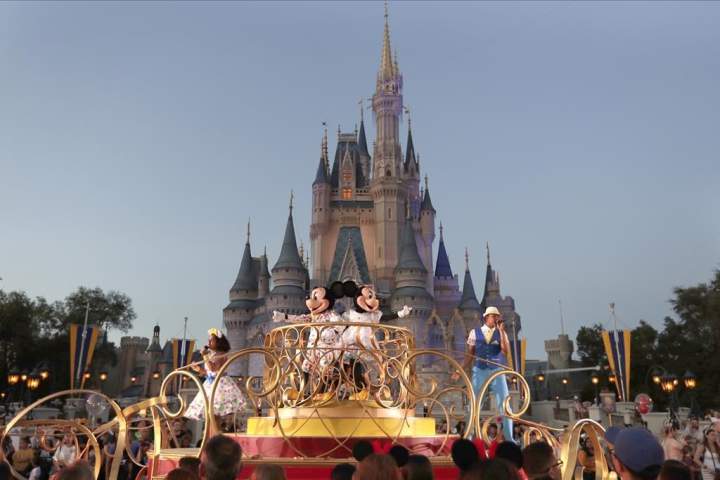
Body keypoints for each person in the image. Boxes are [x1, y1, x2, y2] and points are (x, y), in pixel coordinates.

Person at [452, 306, 513, 442]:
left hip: (497, 371)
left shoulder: (501, 333)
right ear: (486, 317)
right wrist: (459, 370)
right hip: (479, 371)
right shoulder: (475, 333)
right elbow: (469, 355)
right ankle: (468, 437)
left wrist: (501, 331)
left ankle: (510, 440)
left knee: (505, 405)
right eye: (493, 316)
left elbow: (505, 351)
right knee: (474, 404)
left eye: (497, 316)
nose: (496, 318)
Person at [186, 329, 246, 427]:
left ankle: (215, 432)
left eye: (211, 340)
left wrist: (205, 355)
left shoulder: (221, 354)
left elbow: (213, 368)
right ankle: (211, 433)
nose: (209, 342)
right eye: (209, 339)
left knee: (214, 413)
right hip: (211, 384)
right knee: (210, 413)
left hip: (219, 385)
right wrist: (198, 369)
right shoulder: (213, 354)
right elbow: (209, 373)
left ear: (218, 342)